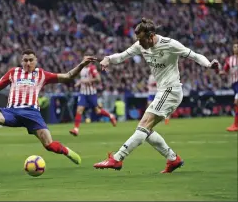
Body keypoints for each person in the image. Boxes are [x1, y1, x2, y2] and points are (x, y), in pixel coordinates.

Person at [93, 18, 220, 173]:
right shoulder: (140, 45)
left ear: (151, 35)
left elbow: (194, 55)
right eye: (137, 40)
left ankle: (117, 158)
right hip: (162, 91)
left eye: (141, 40)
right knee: (144, 130)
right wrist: (107, 59)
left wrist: (208, 64)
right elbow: (121, 56)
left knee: (144, 126)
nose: (139, 43)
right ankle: (173, 159)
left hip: (171, 90)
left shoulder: (170, 44)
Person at [0, 49, 97, 165]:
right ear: (21, 61)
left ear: (35, 61)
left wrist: (82, 64)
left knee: (49, 145)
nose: (28, 63)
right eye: (25, 60)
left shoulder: (41, 74)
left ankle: (67, 152)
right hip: (11, 112)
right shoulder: (13, 72)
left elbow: (68, 76)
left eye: (31, 60)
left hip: (32, 114)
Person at [69, 63, 116, 136]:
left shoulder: (92, 68)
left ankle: (110, 116)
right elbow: (82, 79)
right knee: (79, 110)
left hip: (91, 94)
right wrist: (79, 82)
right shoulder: (81, 68)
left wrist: (88, 80)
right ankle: (76, 129)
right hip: (83, 93)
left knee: (97, 111)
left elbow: (98, 79)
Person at [220, 40, 238, 132]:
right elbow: (225, 71)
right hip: (235, 84)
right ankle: (235, 124)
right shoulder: (229, 60)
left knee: (236, 101)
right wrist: (219, 71)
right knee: (236, 105)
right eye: (235, 47)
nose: (236, 48)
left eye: (237, 46)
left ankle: (235, 125)